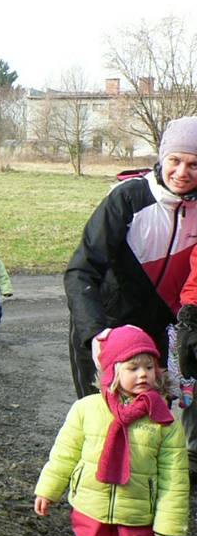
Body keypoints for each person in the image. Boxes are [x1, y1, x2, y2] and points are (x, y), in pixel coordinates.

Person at [34, 325, 189, 536]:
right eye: (133, 368)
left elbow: (174, 476)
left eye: (149, 367)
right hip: (90, 507)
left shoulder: (164, 421)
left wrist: (170, 522)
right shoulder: (87, 409)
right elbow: (64, 454)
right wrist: (48, 490)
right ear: (112, 371)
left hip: (137, 513)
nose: (143, 374)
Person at [65, 116, 197, 403]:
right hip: (108, 327)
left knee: (152, 426)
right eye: (175, 160)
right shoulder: (128, 199)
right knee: (102, 425)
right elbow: (81, 271)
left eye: (194, 164)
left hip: (159, 331)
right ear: (162, 157)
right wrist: (95, 335)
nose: (182, 172)